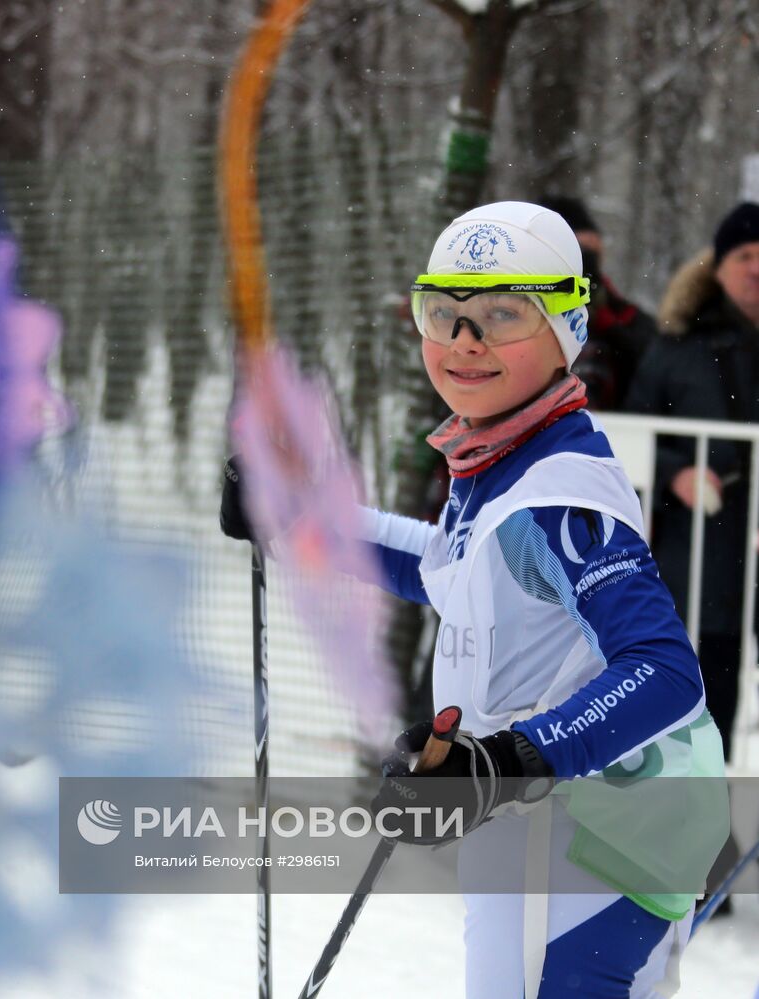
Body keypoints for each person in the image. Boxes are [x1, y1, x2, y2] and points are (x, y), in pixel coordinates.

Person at [223, 202, 728, 997]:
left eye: (502, 313)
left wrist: (503, 760)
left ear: (566, 327)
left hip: (592, 835)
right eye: (444, 313)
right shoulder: (507, 463)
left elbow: (665, 671)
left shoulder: (558, 495)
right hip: (547, 822)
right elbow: (445, 566)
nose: (465, 340)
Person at [626, 201, 759, 764]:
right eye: (746, 256)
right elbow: (630, 444)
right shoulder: (679, 346)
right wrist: (676, 474)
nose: (757, 269)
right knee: (701, 706)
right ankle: (695, 833)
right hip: (702, 564)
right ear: (720, 265)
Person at [536, 196, 657, 410]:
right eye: (579, 251)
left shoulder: (625, 316)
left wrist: (608, 326)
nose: (587, 263)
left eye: (592, 254)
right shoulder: (518, 312)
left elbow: (651, 369)